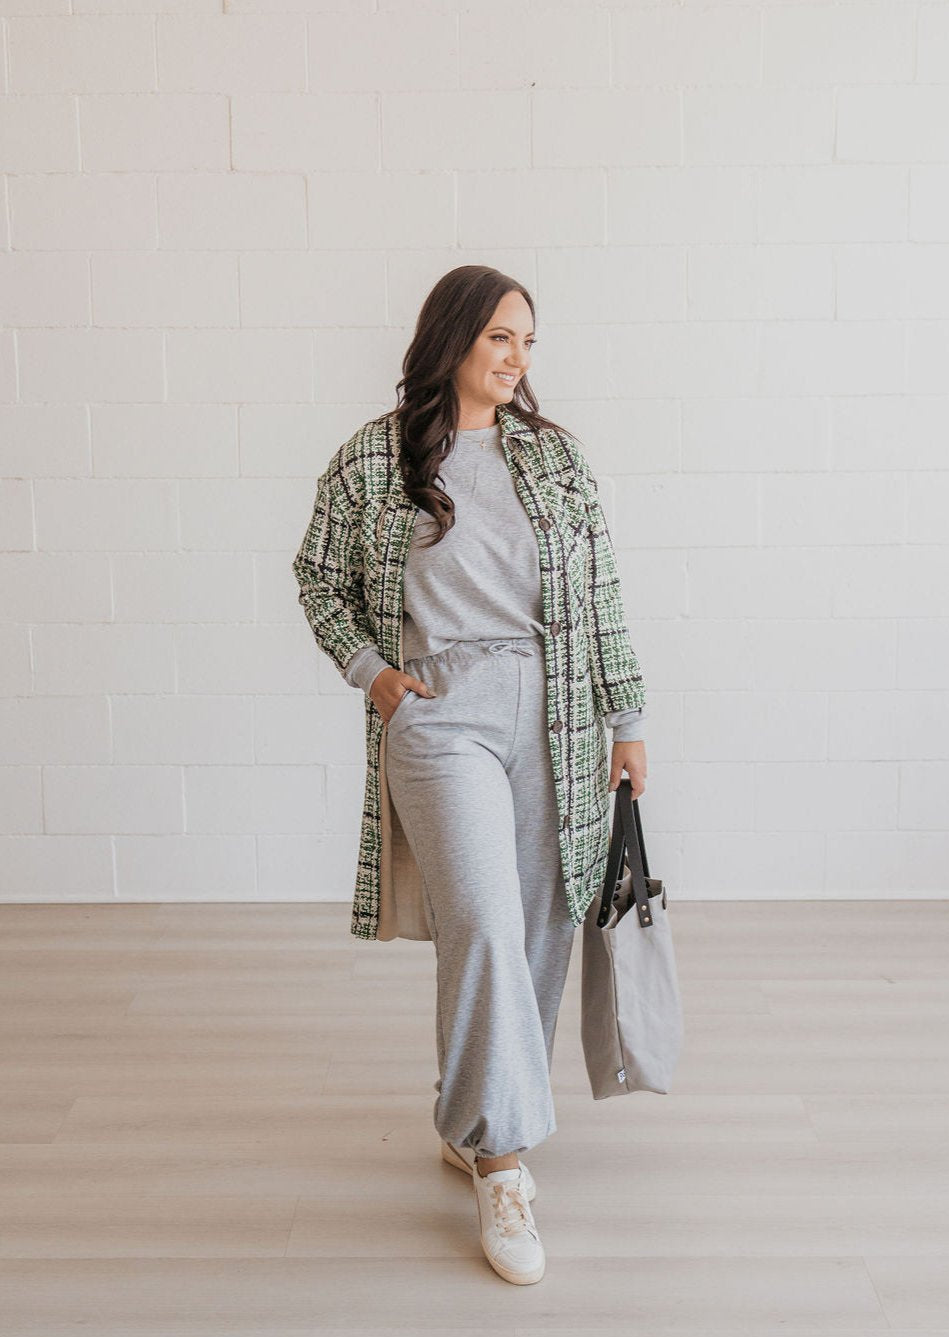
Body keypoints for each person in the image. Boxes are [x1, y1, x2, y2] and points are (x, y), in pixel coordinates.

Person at [292, 264, 648, 1286]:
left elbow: (605, 587)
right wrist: (373, 672)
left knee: (537, 926)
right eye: (500, 337)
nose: (517, 359)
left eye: (527, 342)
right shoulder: (375, 457)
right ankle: (501, 1161)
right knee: (485, 918)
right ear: (450, 338)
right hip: (440, 714)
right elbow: (315, 572)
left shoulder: (555, 459)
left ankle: (470, 1110)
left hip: (552, 711)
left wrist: (626, 716)